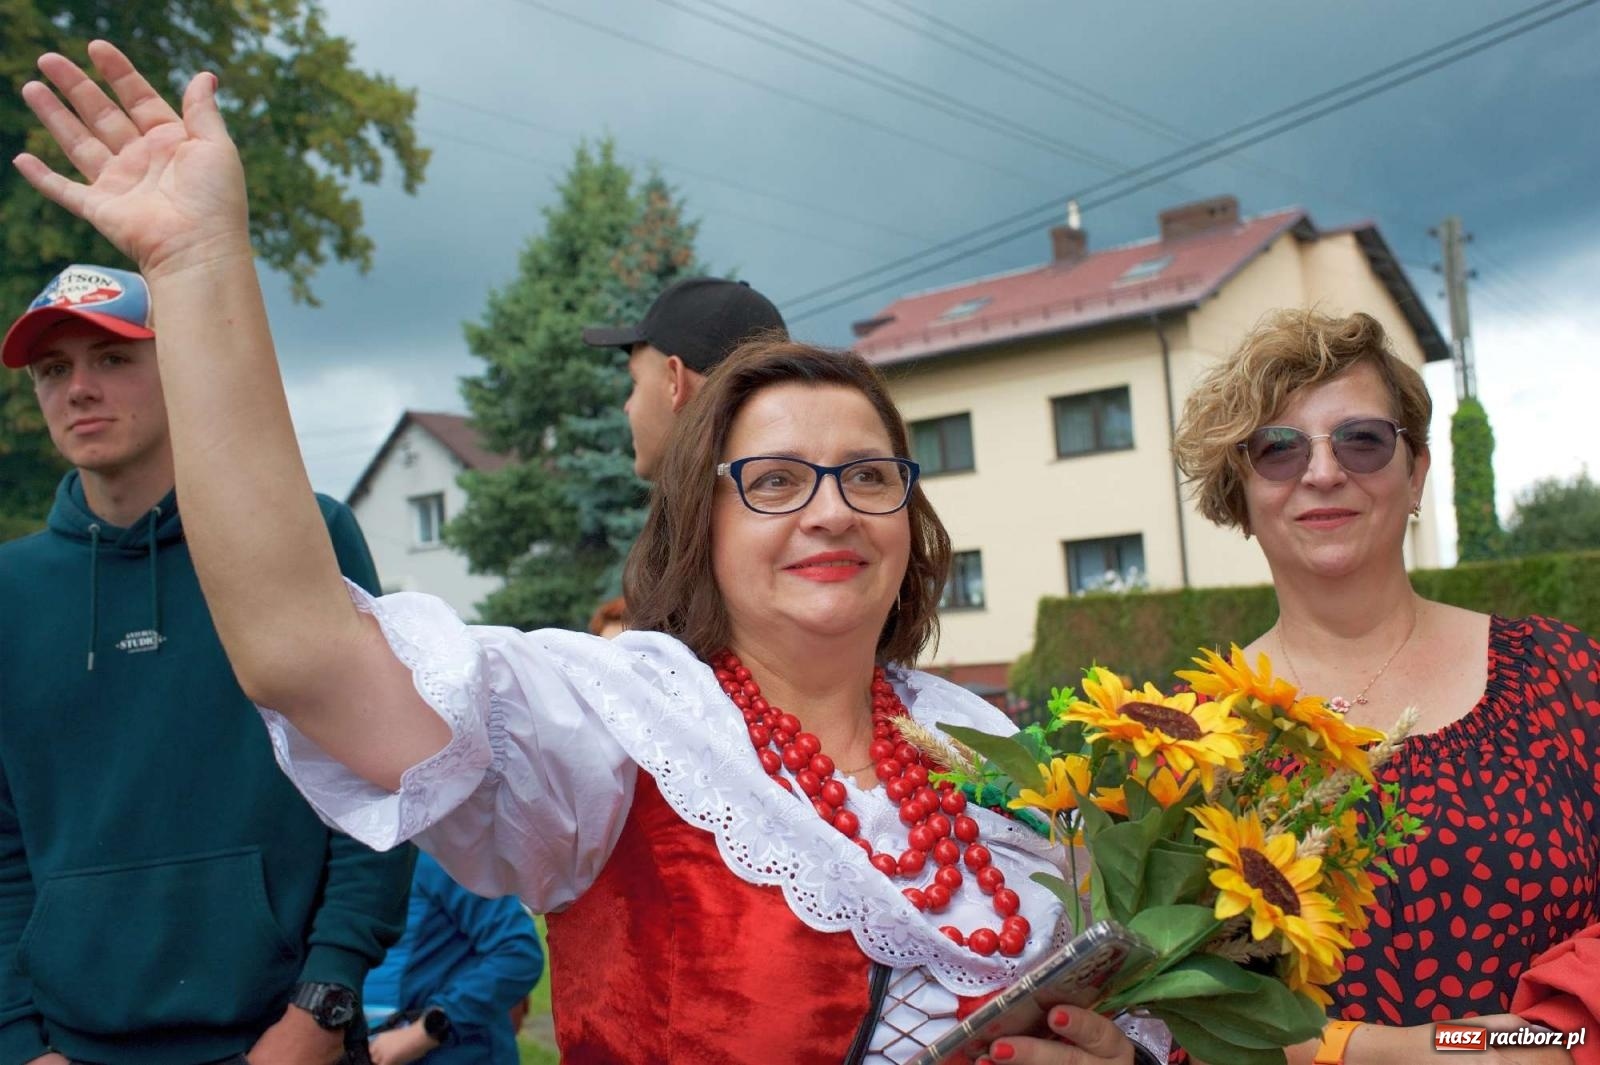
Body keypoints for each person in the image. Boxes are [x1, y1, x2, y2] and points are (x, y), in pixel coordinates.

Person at [11, 43, 1155, 1065]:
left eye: (868, 477)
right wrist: (200, 262)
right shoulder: (627, 725)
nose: (829, 513)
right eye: (771, 481)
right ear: (702, 527)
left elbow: (1143, 1013)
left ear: (911, 522)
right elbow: (299, 653)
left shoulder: (991, 749)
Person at [0, 259, 415, 1065]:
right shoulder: (10, 592)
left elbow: (381, 784)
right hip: (72, 1047)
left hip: (285, 1039)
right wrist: (18, 1042)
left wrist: (322, 1007)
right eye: (55, 369)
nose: (78, 388)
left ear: (182, 365)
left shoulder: (301, 533)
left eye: (113, 358)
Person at [1173, 309, 1599, 1064]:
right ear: (1239, 491)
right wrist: (1397, 1050)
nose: (1324, 472)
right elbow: (1181, 1008)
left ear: (1418, 474)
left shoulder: (1565, 677)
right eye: (1279, 449)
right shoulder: (1191, 742)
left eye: (1361, 440)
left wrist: (1558, 1037)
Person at [582, 274, 787, 481]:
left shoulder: (711, 513)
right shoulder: (801, 503)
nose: (627, 406)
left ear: (675, 384)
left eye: (636, 381)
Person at [364, 851, 544, 1065]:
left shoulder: (444, 854)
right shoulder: (345, 854)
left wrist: (423, 1034)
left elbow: (518, 953)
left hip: (458, 1053)